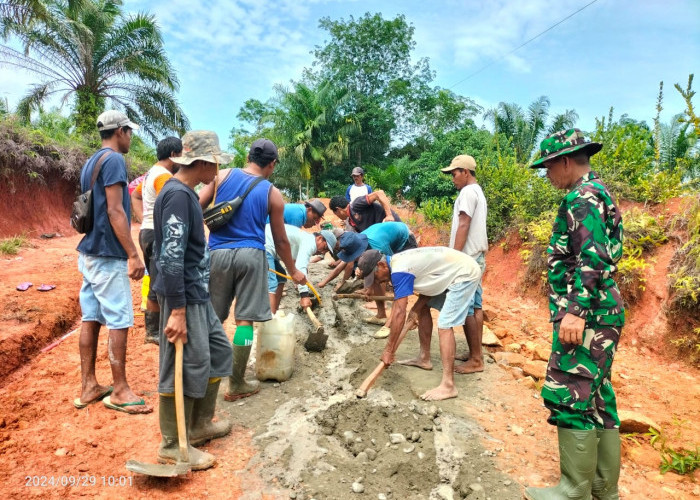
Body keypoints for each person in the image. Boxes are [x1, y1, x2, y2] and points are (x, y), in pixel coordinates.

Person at [524, 129, 624, 500]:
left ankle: (573, 490)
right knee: (596, 396)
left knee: (570, 392)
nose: (547, 175)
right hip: (602, 311)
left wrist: (576, 312)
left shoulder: (582, 197)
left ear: (565, 161)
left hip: (588, 314)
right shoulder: (598, 193)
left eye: (548, 167)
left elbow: (592, 255)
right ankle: (601, 488)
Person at [199, 138, 306, 402]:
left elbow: (195, 206)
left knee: (213, 318)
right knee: (244, 322)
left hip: (218, 254)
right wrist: (293, 270)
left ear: (247, 158)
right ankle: (236, 382)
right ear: (271, 164)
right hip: (251, 255)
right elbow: (280, 240)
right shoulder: (272, 193)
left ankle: (202, 377)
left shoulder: (221, 175)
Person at [151, 130, 233, 470]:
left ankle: (199, 425)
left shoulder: (185, 194)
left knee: (218, 351)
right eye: (214, 161)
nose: (216, 168)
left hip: (196, 292)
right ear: (200, 162)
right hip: (183, 295)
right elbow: (170, 257)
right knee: (183, 363)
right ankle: (173, 443)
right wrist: (178, 311)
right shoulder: (177, 197)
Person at [74, 110, 150, 414]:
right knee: (119, 319)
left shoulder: (91, 162)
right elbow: (116, 211)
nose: (131, 137)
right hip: (107, 253)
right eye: (129, 131)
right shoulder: (115, 160)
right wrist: (133, 253)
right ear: (119, 131)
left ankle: (89, 385)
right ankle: (119, 390)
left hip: (89, 252)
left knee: (90, 317)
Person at [356, 247, 481, 401]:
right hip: (449, 273)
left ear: (382, 265)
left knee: (444, 325)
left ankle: (448, 385)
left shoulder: (400, 270)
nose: (377, 281)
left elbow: (399, 312)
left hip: (463, 274)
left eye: (375, 276)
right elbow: (430, 282)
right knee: (423, 309)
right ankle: (424, 358)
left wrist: (389, 350)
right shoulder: (399, 264)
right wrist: (415, 309)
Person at [440, 155, 488, 374]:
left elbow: (464, 223)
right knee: (476, 306)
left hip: (467, 258)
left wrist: (455, 257)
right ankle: (474, 353)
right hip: (476, 257)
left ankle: (476, 360)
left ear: (465, 172)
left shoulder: (468, 192)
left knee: (467, 309)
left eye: (454, 173)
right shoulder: (477, 191)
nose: (452, 178)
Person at [137, 136, 183, 344]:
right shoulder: (164, 177)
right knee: (158, 283)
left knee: (155, 280)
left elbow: (136, 196)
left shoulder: (150, 173)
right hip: (156, 234)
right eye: (181, 156)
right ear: (173, 155)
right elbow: (170, 204)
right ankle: (153, 331)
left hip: (146, 231)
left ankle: (153, 329)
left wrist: (143, 219)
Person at [265, 224, 336, 313]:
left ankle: (274, 312)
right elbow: (300, 267)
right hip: (265, 244)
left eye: (326, 251)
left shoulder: (305, 239)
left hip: (269, 245)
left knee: (281, 279)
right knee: (272, 283)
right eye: (325, 248)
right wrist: (304, 295)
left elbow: (295, 264)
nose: (322, 252)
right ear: (319, 238)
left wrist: (302, 281)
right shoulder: (310, 242)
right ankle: (269, 320)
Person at [329, 190, 399, 233]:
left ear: (338, 209)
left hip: (393, 224)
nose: (338, 217)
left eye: (336, 214)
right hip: (386, 232)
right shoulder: (351, 221)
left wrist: (389, 215)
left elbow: (379, 193)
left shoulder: (356, 204)